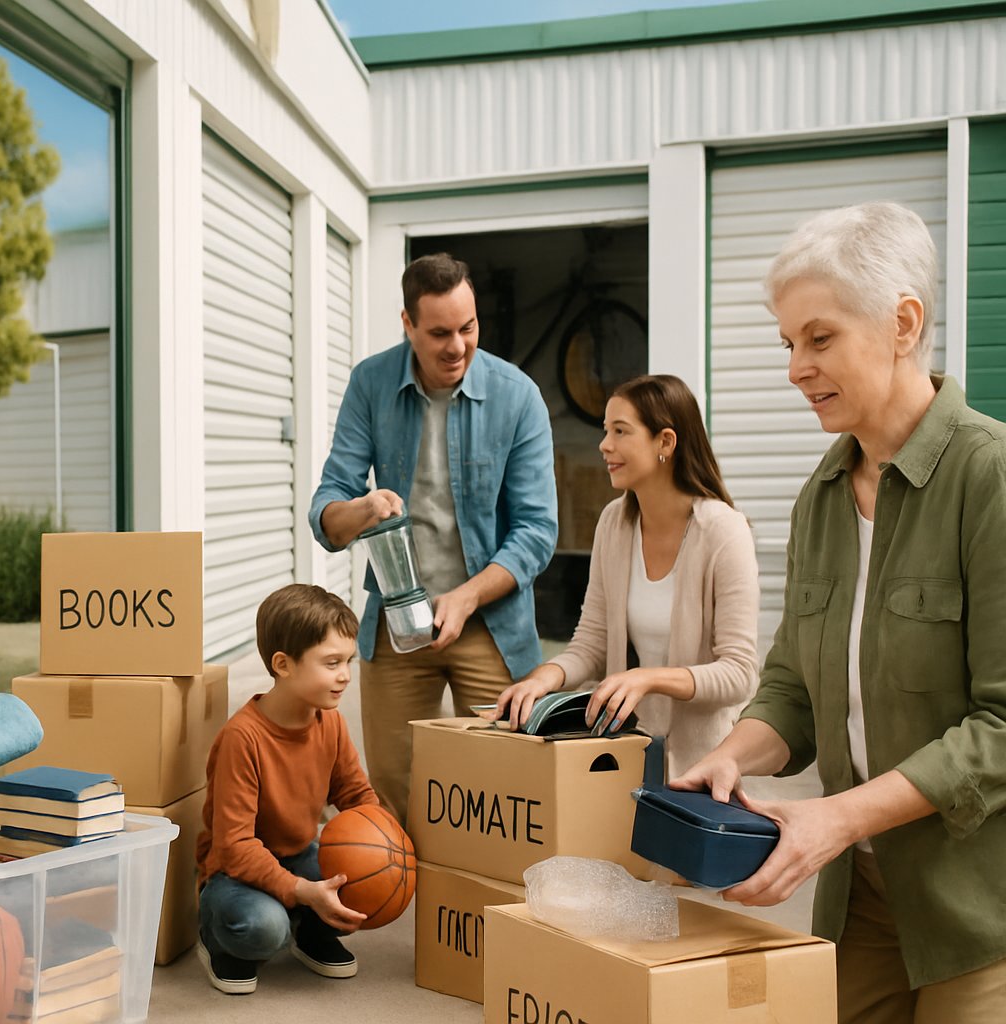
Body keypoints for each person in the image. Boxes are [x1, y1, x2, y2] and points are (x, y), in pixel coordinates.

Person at [674, 201, 1006, 1022]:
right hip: (858, 893)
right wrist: (734, 756)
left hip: (978, 906)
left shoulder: (989, 481)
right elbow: (792, 681)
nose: (795, 367)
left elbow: (1001, 725)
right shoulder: (819, 498)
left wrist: (834, 817)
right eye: (789, 343)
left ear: (903, 323)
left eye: (819, 339)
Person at [308, 252, 558, 821]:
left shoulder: (518, 396)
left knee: (502, 794)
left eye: (468, 328)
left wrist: (466, 596)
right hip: (397, 626)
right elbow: (326, 511)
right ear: (407, 325)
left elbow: (538, 531)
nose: (457, 347)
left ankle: (482, 906)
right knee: (394, 796)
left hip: (490, 623)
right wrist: (364, 508)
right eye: (439, 332)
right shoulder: (371, 383)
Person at [487, 374, 759, 776]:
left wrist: (649, 679)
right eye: (605, 430)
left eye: (620, 431)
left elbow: (739, 673)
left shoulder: (723, 531)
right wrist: (543, 679)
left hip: (702, 770)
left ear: (665, 442)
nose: (604, 445)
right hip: (620, 763)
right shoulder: (613, 523)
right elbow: (591, 644)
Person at [195, 584, 377, 995]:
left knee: (372, 877)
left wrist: (383, 843)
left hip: (298, 856)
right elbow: (236, 847)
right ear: (284, 664)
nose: (345, 674)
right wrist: (303, 891)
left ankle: (311, 932)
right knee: (265, 928)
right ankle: (216, 936)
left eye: (348, 660)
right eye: (332, 662)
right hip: (233, 873)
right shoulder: (243, 737)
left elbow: (357, 798)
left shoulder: (330, 723)